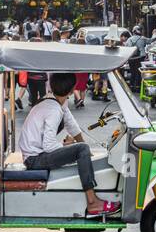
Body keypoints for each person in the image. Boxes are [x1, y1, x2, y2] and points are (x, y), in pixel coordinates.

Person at [17, 72, 116, 216]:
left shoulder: (54, 101)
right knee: (81, 149)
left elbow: (71, 124)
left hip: (34, 154)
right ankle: (92, 201)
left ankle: (91, 192)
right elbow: (49, 146)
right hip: (35, 159)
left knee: (82, 149)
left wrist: (85, 152)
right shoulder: (54, 109)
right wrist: (74, 148)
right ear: (71, 90)